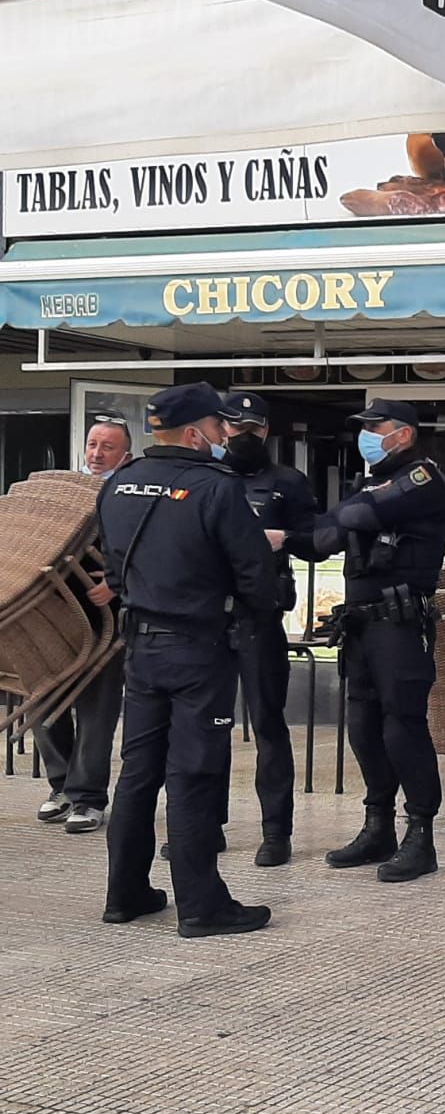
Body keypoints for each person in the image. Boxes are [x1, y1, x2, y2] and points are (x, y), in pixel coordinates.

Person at [98, 382, 278, 937]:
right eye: (221, 427)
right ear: (197, 431)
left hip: (141, 647)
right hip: (199, 649)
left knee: (137, 772)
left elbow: (111, 568)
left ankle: (125, 893)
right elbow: (255, 576)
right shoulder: (215, 489)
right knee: (194, 775)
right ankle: (202, 905)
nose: (227, 436)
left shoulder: (119, 484)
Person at [276, 399, 445, 883]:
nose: (367, 435)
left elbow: (356, 518)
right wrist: (285, 536)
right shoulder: (368, 482)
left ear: (405, 434)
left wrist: (340, 518)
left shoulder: (423, 478)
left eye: (377, 427)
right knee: (363, 725)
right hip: (361, 625)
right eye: (365, 427)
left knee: (403, 726)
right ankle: (379, 825)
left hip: (399, 622)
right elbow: (323, 539)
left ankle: (421, 835)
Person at [220, 392, 319, 868]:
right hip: (207, 619)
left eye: (252, 429)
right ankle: (201, 825)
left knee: (268, 726)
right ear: (222, 429)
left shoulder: (287, 482)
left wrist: (287, 538)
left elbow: (318, 540)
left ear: (265, 432)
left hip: (260, 618)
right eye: (235, 428)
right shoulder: (204, 478)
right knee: (202, 731)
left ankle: (276, 832)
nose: (243, 437)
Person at [35, 419, 130, 834]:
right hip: (52, 616)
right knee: (42, 703)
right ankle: (61, 787)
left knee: (96, 711)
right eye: (92, 444)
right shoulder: (64, 495)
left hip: (105, 620)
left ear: (125, 454)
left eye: (107, 447)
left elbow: (147, 550)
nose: (97, 453)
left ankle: (88, 797)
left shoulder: (129, 494)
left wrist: (116, 584)